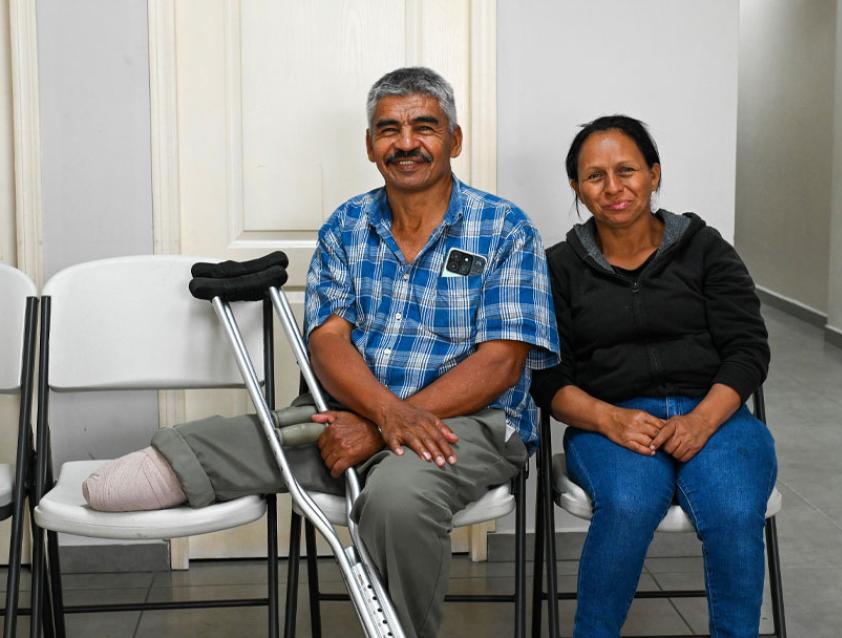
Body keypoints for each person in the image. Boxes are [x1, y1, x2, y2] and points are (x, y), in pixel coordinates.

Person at [84, 66, 559, 638]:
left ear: (454, 140)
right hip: (353, 411)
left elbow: (501, 362)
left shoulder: (504, 227)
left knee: (397, 500)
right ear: (369, 145)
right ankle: (182, 462)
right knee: (252, 438)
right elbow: (328, 342)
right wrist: (383, 416)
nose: (405, 143)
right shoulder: (347, 226)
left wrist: (385, 427)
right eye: (388, 129)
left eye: (424, 127)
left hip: (470, 423)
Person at [530, 115, 776, 638]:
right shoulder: (557, 268)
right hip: (611, 423)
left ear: (654, 174)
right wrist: (609, 419)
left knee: (734, 511)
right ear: (575, 186)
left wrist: (702, 421)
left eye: (627, 170)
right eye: (594, 176)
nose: (613, 188)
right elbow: (547, 378)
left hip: (716, 415)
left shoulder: (705, 249)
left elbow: (748, 349)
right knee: (628, 504)